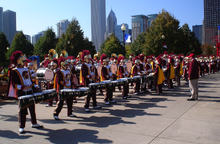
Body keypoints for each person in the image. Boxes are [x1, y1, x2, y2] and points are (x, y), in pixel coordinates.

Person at [10, 51, 43, 134]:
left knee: (32, 108)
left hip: (29, 91)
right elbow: (14, 84)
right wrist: (22, 87)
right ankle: (21, 126)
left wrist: (34, 86)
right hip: (22, 93)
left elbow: (29, 80)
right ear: (18, 61)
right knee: (22, 110)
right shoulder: (14, 71)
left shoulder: (26, 69)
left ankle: (34, 123)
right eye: (23, 61)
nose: (25, 62)